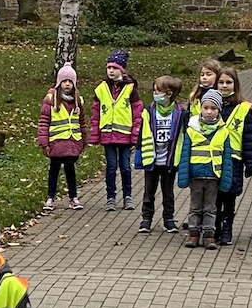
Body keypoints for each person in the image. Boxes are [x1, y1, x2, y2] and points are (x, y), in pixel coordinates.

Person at [176, 88, 232, 250]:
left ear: (219, 110)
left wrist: (226, 180)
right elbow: (185, 154)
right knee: (195, 207)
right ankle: (193, 234)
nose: (209, 112)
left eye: (213, 108)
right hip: (196, 176)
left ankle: (209, 235)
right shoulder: (192, 130)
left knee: (210, 208)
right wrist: (183, 177)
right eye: (206, 108)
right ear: (200, 108)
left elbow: (227, 158)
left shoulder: (223, 131)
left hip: (214, 176)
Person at [89, 49, 142, 210]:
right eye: (109, 68)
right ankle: (110, 197)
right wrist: (95, 134)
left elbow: (137, 113)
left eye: (115, 68)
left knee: (125, 167)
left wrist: (135, 135)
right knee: (111, 167)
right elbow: (95, 113)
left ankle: (128, 196)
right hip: (107, 135)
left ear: (122, 70)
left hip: (125, 135)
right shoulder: (101, 89)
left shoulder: (130, 89)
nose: (111, 71)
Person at [135, 75, 186, 233]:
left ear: (169, 93)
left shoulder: (180, 113)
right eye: (154, 90)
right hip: (152, 158)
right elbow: (142, 135)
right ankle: (146, 219)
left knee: (168, 192)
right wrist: (139, 157)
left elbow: (184, 136)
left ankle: (168, 219)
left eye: (158, 91)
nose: (154, 93)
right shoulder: (149, 112)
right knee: (148, 191)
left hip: (169, 159)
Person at [213, 66, 252, 246]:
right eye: (221, 82)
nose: (224, 86)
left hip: (233, 161)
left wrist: (251, 163)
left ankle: (227, 228)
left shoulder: (243, 108)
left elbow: (249, 137)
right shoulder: (210, 105)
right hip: (214, 160)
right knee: (215, 197)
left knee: (229, 196)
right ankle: (214, 228)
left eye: (228, 82)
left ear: (235, 84)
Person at [38, 64, 86, 212]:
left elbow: (82, 122)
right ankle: (50, 197)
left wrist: (83, 141)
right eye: (64, 81)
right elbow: (44, 122)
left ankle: (73, 197)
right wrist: (44, 143)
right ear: (59, 83)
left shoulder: (78, 101)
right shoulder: (50, 100)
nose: (67, 84)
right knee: (54, 170)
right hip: (56, 143)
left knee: (70, 170)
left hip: (72, 142)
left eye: (70, 81)